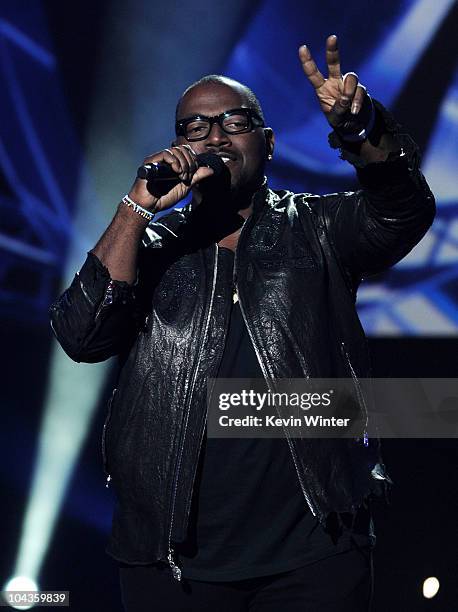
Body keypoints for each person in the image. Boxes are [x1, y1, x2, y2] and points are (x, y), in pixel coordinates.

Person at [50, 35, 435, 611]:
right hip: (173, 559)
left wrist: (364, 131)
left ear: (268, 142)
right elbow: (81, 335)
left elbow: (402, 212)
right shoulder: (150, 248)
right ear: (178, 145)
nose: (216, 136)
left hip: (313, 549)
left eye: (236, 122)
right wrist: (137, 203)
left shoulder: (318, 228)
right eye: (195, 127)